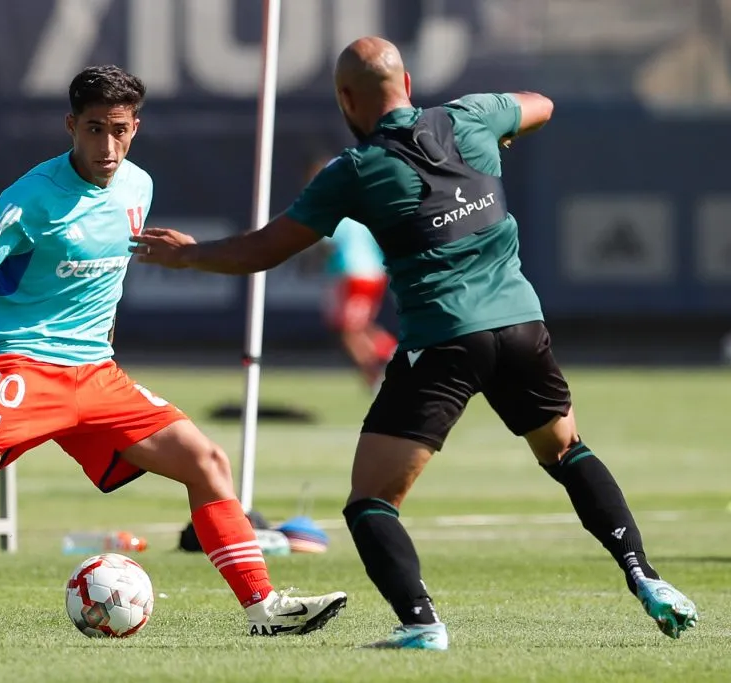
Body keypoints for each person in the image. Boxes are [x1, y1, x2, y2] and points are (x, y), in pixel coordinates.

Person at [130, 38, 698, 650]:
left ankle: (421, 624)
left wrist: (187, 258)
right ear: (408, 82)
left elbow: (263, 250)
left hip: (445, 341)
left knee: (371, 501)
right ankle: (647, 578)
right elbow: (542, 104)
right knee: (565, 453)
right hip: (522, 328)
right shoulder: (470, 117)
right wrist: (503, 130)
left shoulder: (356, 169)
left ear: (347, 99)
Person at [0, 65, 346, 639]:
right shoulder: (31, 197)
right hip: (21, 365)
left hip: (96, 373)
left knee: (208, 462)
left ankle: (263, 609)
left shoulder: (138, 185)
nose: (108, 145)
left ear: (136, 127)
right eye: (95, 129)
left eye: (120, 129)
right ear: (71, 125)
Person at [306, 157, 397, 391]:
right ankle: (390, 358)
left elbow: (323, 241)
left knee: (349, 329)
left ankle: (381, 373)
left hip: (355, 274)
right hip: (369, 272)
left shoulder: (333, 206)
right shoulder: (358, 203)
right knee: (356, 326)